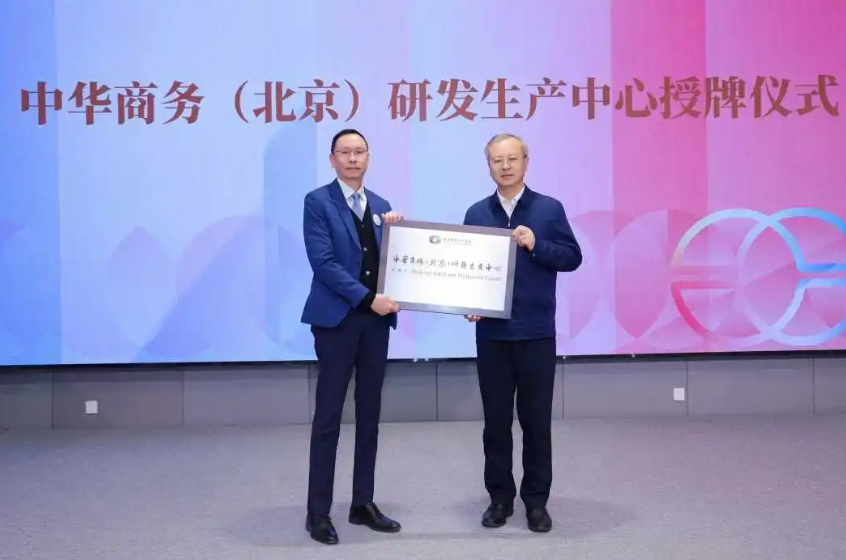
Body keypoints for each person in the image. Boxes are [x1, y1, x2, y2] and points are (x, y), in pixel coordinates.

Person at [462, 132, 582, 533]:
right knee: (495, 423)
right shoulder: (477, 213)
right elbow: (466, 270)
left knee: (536, 423)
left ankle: (536, 502)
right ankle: (499, 499)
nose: (506, 166)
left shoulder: (548, 209)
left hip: (535, 334)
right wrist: (468, 303)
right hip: (492, 337)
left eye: (512, 158)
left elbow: (572, 257)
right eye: (497, 160)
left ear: (526, 162)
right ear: (489, 166)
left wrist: (537, 244)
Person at [300, 128, 403, 545]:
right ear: (332, 159)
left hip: (375, 325)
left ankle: (363, 502)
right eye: (344, 152)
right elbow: (323, 263)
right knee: (328, 417)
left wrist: (399, 237)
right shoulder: (317, 202)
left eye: (359, 151)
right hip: (337, 323)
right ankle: (317, 512)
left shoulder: (383, 207)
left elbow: (394, 263)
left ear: (368, 157)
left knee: (370, 415)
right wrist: (368, 298)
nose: (353, 158)